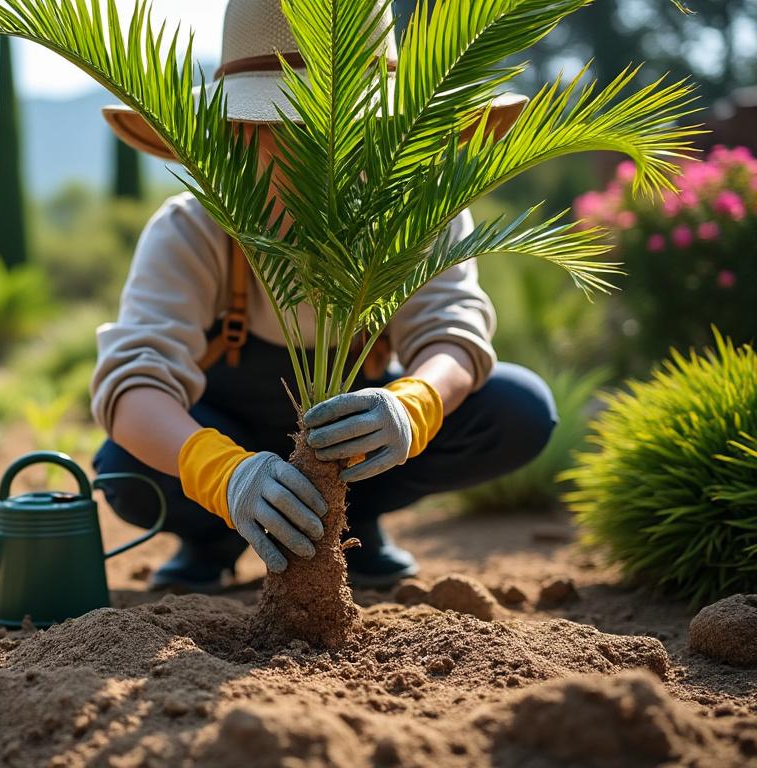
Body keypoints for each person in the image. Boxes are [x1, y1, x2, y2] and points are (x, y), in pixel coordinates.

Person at [90, 0, 557, 592]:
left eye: (351, 134)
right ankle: (209, 538)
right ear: (237, 135)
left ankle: (353, 524)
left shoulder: (419, 214)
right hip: (230, 449)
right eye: (291, 131)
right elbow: (135, 385)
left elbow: (454, 337)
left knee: (515, 410)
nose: (329, 164)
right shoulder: (191, 229)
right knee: (126, 465)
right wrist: (226, 477)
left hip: (357, 458)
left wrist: (413, 406)